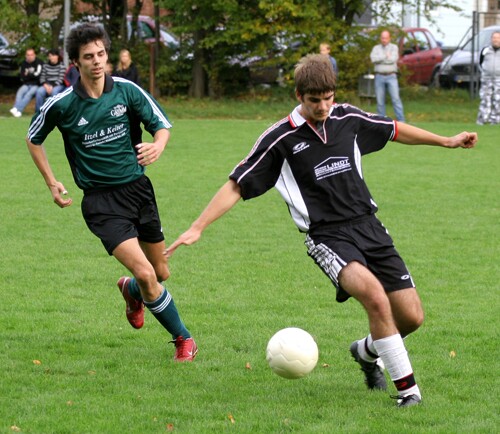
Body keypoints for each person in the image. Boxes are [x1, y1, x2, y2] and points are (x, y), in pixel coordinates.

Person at [166, 54, 477, 406]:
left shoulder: (347, 118)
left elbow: (393, 129)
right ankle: (409, 393)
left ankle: (365, 351)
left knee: (411, 317)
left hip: (369, 226)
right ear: (299, 95)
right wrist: (197, 227)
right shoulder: (280, 138)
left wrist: (446, 140)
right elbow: (237, 184)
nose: (323, 107)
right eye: (315, 100)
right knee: (375, 298)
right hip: (327, 237)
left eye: (328, 98)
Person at [25, 23, 197, 362]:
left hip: (138, 191)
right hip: (101, 203)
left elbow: (161, 125)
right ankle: (184, 339)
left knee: (159, 273)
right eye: (89, 56)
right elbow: (34, 139)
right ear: (75, 62)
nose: (97, 61)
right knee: (147, 273)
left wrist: (158, 145)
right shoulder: (61, 104)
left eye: (101, 54)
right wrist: (51, 182)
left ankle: (131, 290)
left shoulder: (127, 91)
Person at [370, 30, 405, 122]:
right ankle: (382, 122)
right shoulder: (376, 48)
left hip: (391, 76)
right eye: (382, 38)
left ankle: (401, 121)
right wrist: (385, 56)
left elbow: (393, 59)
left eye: (386, 38)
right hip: (379, 76)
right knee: (380, 101)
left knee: (396, 99)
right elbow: (373, 59)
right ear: (380, 38)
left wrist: (380, 59)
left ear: (389, 38)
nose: (384, 40)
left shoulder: (394, 47)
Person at [10, 48, 44, 118]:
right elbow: (22, 77)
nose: (30, 56)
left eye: (31, 55)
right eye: (28, 55)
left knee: (29, 94)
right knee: (19, 93)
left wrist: (28, 74)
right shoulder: (24, 63)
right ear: (26, 56)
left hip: (36, 84)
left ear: (34, 55)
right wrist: (32, 75)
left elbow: (38, 76)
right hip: (26, 84)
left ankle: (17, 109)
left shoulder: (39, 62)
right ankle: (18, 112)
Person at [476, 31, 500, 125]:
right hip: (486, 79)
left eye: (498, 38)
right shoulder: (485, 50)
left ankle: (495, 121)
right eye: (494, 38)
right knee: (485, 99)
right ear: (491, 39)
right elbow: (479, 62)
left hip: (499, 80)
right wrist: (484, 72)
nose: (496, 40)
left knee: (497, 100)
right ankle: (482, 120)